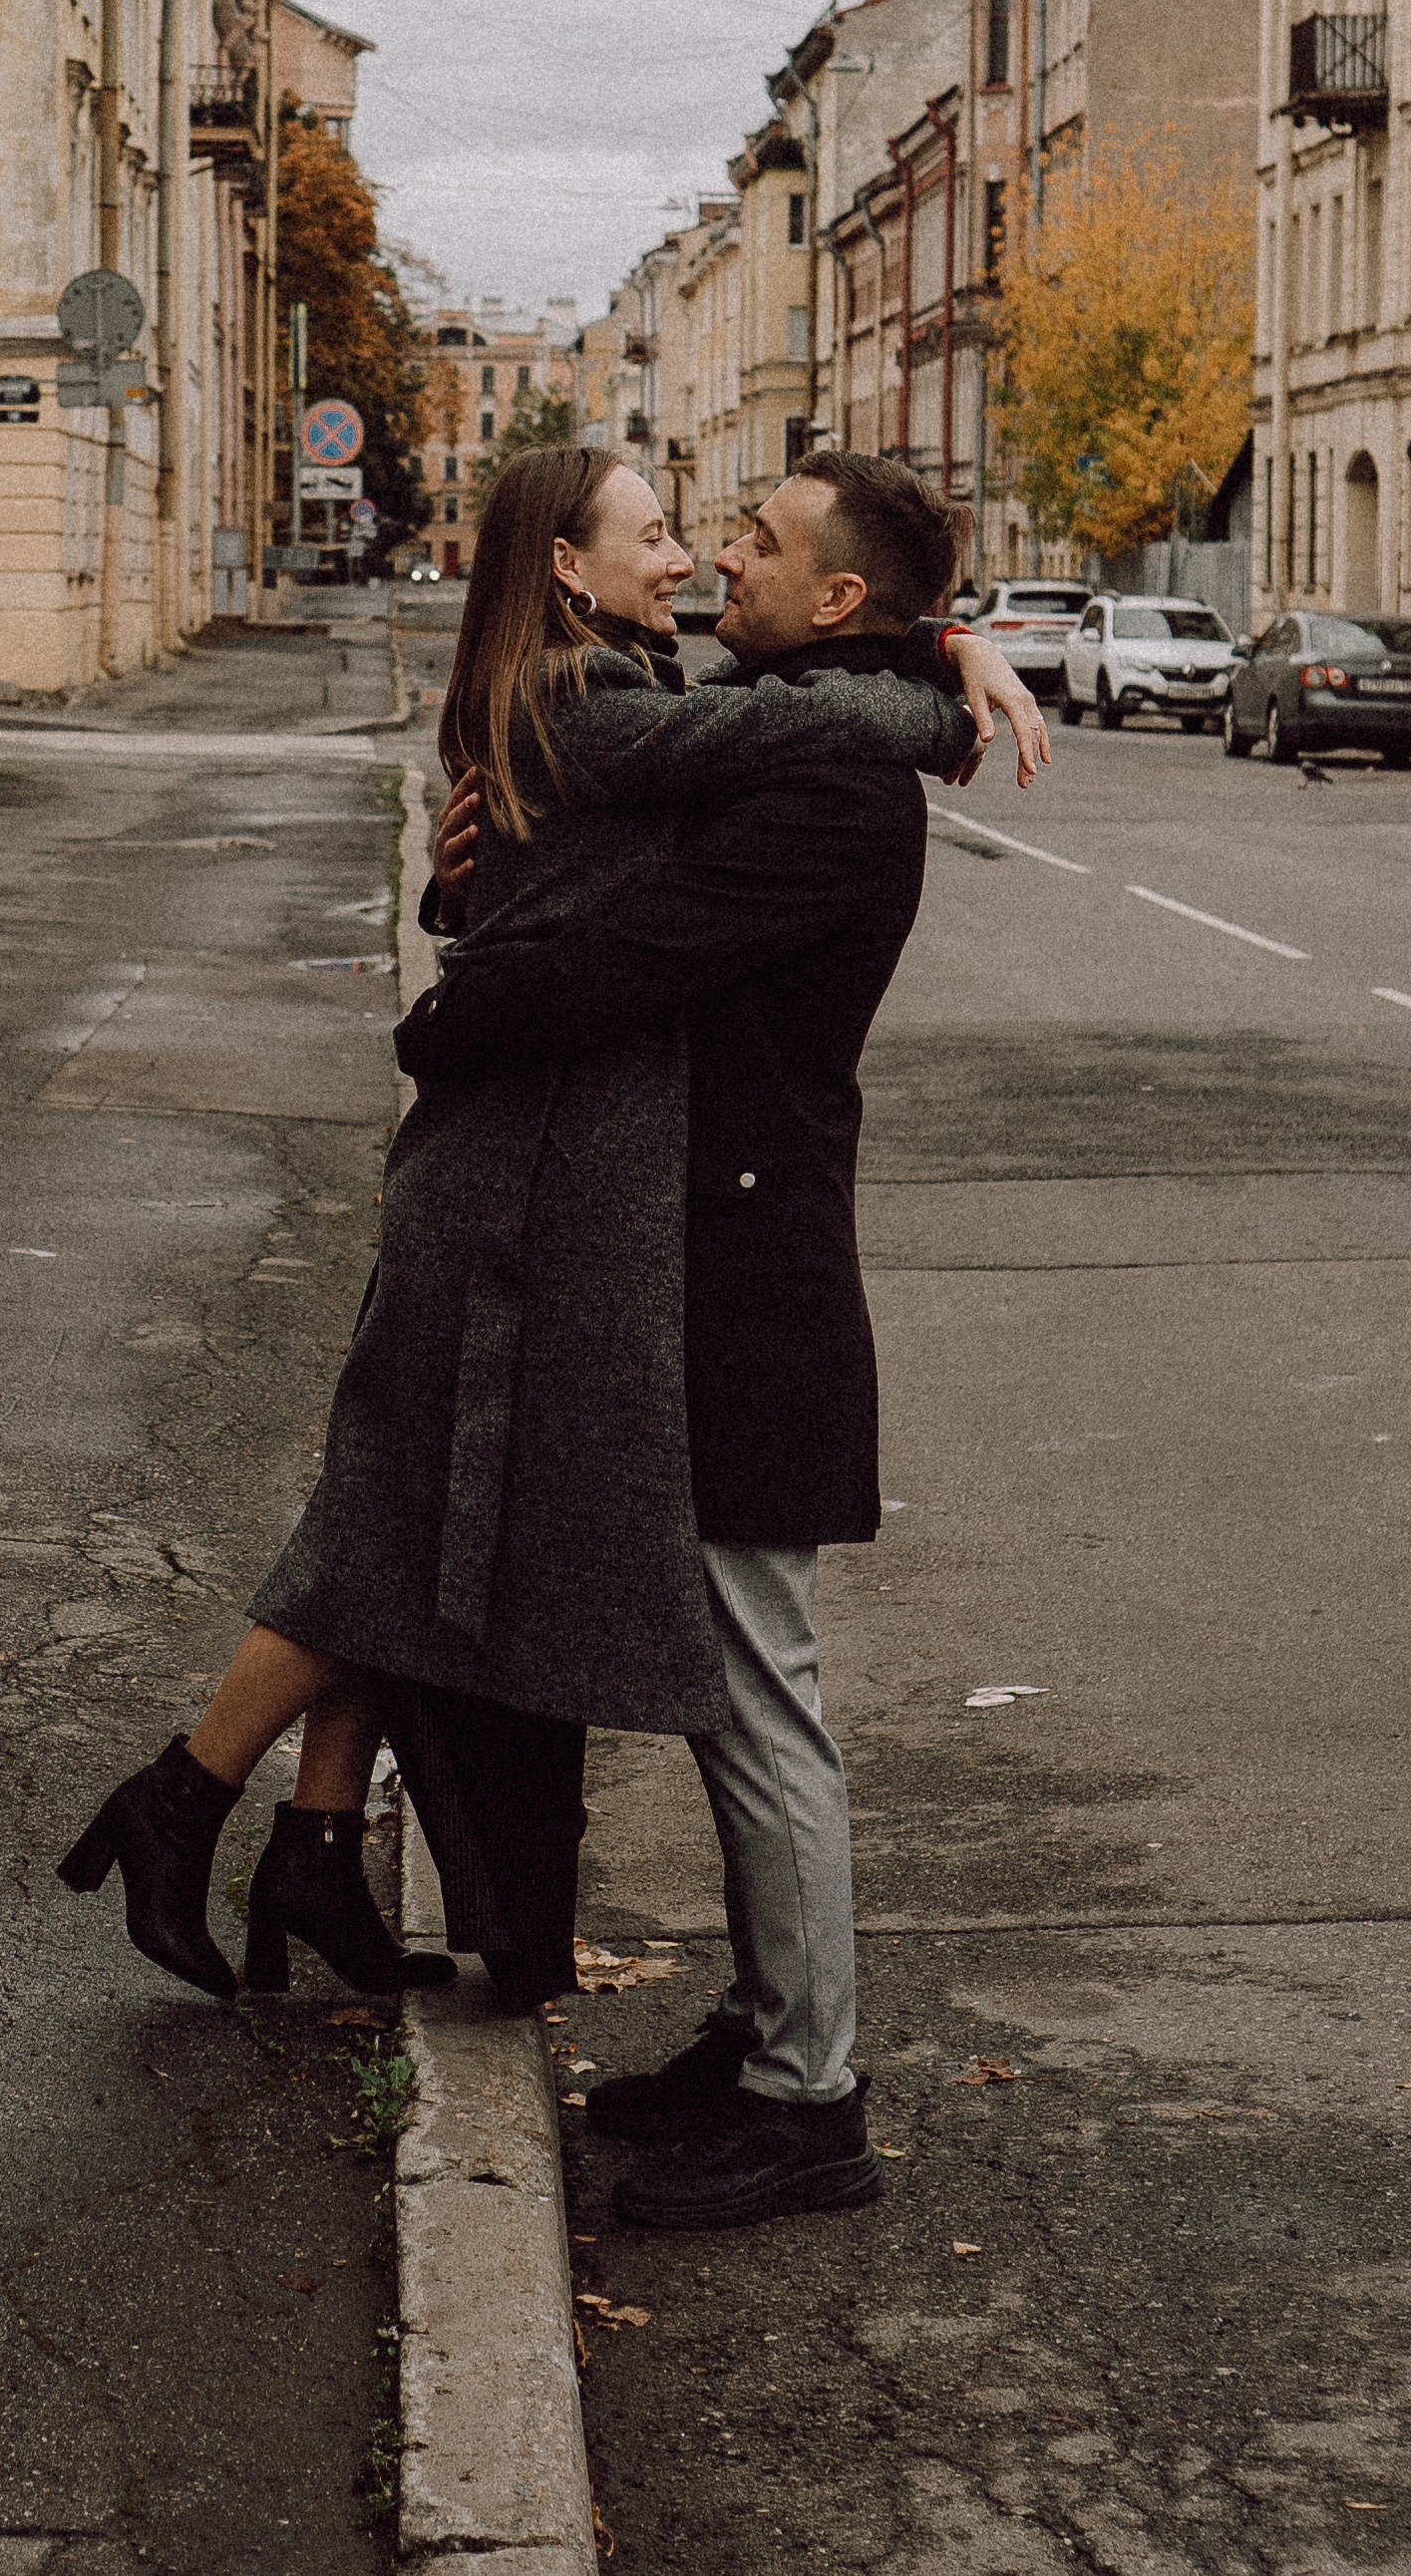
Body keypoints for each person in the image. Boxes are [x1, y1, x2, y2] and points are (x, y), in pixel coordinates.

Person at [57, 451, 1045, 2017]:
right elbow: (770, 739)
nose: (699, 556)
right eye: (662, 533)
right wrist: (939, 675)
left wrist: (938, 636)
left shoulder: (614, 683)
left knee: (422, 1520)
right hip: (503, 1172)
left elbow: (557, 882)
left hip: (536, 1167)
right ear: (568, 570)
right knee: (391, 1522)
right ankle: (182, 1792)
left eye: (720, 536)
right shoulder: (592, 696)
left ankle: (308, 1840)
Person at [394, 449, 996, 2230]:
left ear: (831, 606)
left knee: (754, 1688)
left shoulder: (831, 797)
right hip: (698, 1254)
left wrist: (451, 1014)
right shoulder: (786, 720)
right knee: (730, 1675)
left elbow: (614, 956)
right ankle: (761, 2034)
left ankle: (809, 2096)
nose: (721, 553)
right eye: (708, 530)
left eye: (758, 542)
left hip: (749, 1281)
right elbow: (585, 844)